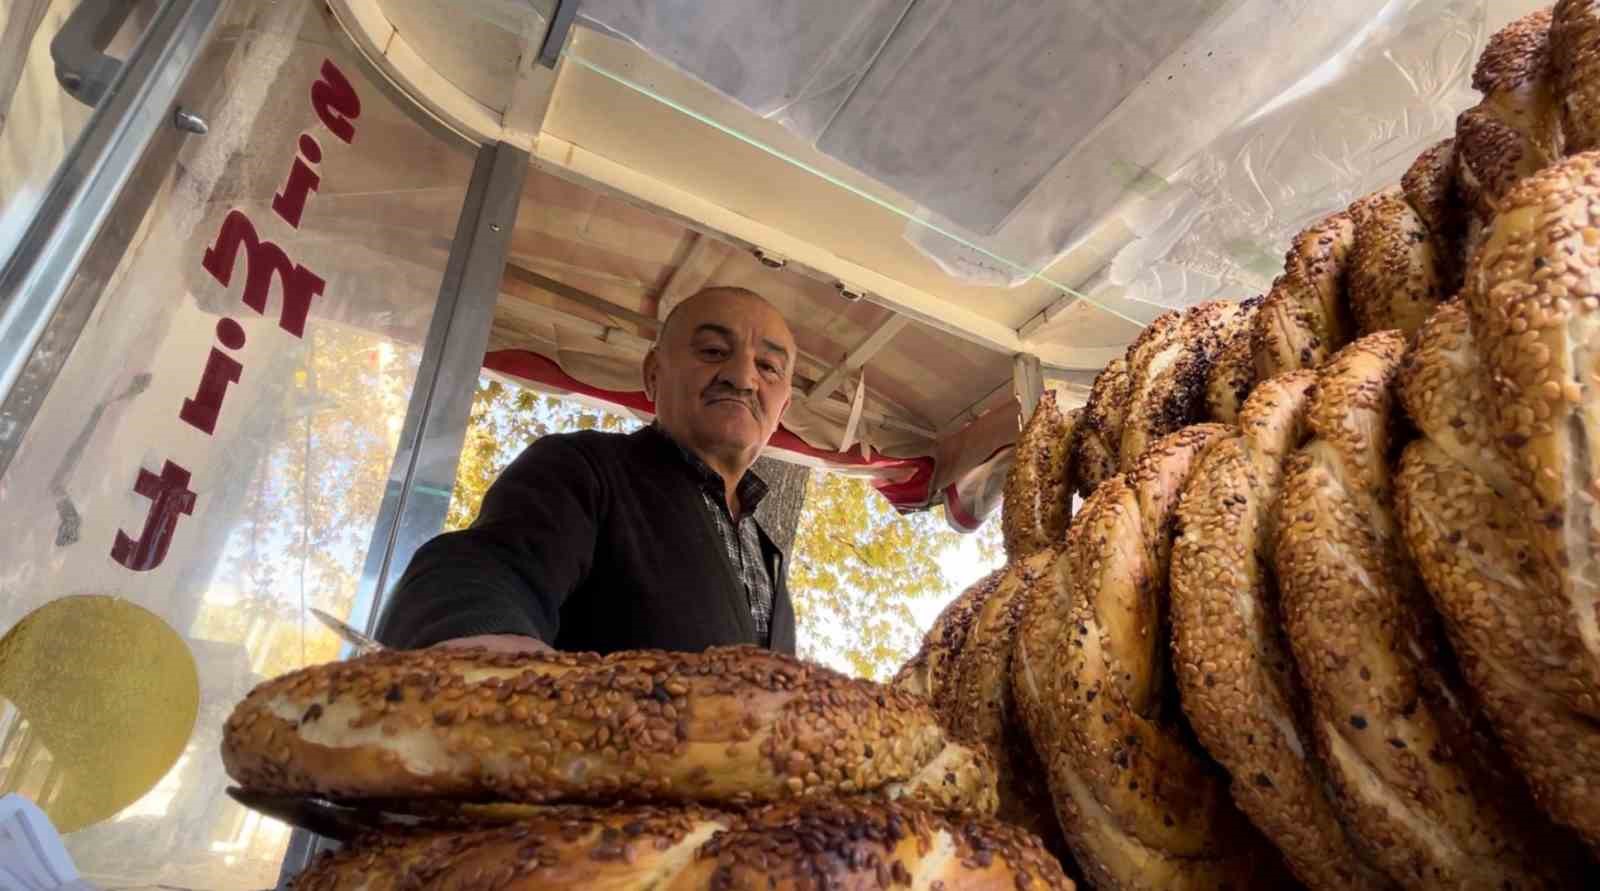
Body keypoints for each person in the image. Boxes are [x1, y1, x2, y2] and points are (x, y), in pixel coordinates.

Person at [374, 286, 799, 656]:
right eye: (712, 352)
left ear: (783, 409)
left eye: (768, 367)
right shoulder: (585, 469)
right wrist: (479, 646)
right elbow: (484, 569)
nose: (742, 377)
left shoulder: (768, 555)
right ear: (653, 373)